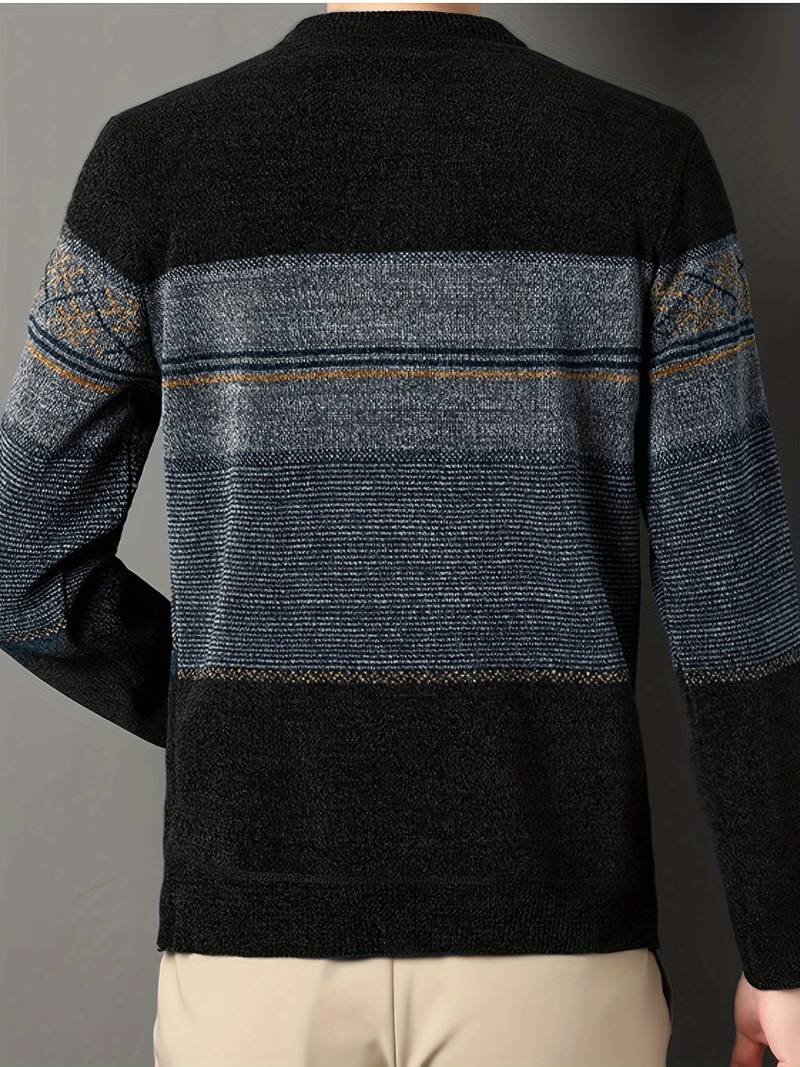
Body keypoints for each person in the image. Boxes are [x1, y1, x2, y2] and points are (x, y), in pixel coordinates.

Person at [1, 3, 798, 1065]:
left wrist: (224, 709)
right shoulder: (646, 164)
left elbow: (20, 557)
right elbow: (735, 605)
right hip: (552, 951)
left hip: (254, 953)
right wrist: (784, 953)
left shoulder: (152, 163)